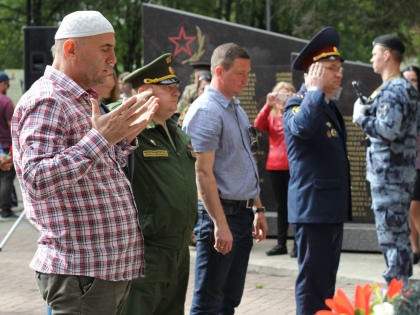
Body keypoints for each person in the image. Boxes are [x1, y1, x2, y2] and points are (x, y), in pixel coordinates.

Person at [11, 10, 159, 315]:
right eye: (105, 48)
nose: (113, 59)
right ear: (71, 49)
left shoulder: (78, 99)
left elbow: (90, 169)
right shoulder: (48, 100)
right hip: (81, 272)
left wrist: (121, 140)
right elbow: (37, 179)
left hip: (97, 272)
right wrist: (102, 139)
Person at [106, 53, 197, 315]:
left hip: (178, 249)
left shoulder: (176, 132)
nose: (176, 92)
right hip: (147, 250)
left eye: (176, 87)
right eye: (168, 89)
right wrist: (134, 106)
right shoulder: (130, 126)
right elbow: (104, 120)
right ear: (145, 92)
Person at [182, 42, 268, 314]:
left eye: (247, 74)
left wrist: (258, 207)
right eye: (240, 74)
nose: (246, 79)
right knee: (208, 301)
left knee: (229, 299)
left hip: (241, 214)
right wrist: (220, 223)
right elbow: (202, 172)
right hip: (220, 215)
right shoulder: (207, 111)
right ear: (219, 71)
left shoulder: (235, 108)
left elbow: (244, 163)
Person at [282, 27, 351, 315]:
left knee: (326, 281)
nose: (339, 74)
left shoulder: (328, 107)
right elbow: (304, 129)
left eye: (340, 69)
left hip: (330, 208)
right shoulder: (297, 104)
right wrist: (312, 90)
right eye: (332, 69)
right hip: (313, 208)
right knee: (312, 281)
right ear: (314, 72)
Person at [353, 35, 419, 288]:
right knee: (398, 234)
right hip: (396, 174)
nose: (372, 58)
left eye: (375, 53)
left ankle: (397, 291)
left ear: (387, 55)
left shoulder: (394, 89)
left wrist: (361, 119)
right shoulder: (404, 88)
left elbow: (388, 130)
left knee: (392, 236)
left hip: (389, 175)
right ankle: (401, 290)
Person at [254, 81, 297, 257]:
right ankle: (281, 244)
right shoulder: (271, 115)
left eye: (286, 95)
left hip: (293, 165)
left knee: (295, 205)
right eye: (280, 95)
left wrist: (294, 104)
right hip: (275, 165)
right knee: (281, 206)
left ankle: (298, 245)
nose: (282, 99)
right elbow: (257, 124)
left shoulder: (294, 113)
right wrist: (267, 105)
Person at [402, 65, 420, 264]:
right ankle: (415, 249)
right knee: (409, 209)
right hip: (405, 162)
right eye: (406, 79)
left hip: (418, 163)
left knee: (415, 207)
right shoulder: (400, 101)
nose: (409, 84)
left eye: (413, 80)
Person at [0, 71, 17, 220]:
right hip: (5, 145)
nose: (7, 86)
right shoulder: (6, 102)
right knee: (7, 176)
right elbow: (12, 126)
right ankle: (5, 210)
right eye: (6, 84)